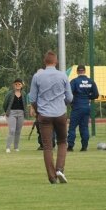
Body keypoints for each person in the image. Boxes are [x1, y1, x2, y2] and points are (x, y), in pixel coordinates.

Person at [28, 51, 72, 183]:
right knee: (62, 142)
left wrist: (38, 111)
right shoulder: (63, 76)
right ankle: (60, 169)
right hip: (60, 114)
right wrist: (61, 105)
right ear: (56, 61)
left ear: (44, 61)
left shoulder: (37, 76)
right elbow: (69, 97)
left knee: (47, 146)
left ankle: (52, 177)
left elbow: (32, 98)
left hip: (44, 115)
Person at [67, 64, 100, 151]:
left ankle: (70, 146)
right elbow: (96, 94)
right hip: (86, 106)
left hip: (77, 106)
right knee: (84, 127)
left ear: (77, 71)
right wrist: (88, 97)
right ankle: (84, 146)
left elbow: (69, 94)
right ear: (85, 71)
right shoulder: (91, 81)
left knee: (72, 127)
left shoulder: (74, 81)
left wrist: (73, 101)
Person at [3, 78, 26, 152]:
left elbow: (25, 104)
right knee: (12, 130)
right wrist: (7, 112)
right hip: (11, 113)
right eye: (16, 84)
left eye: (19, 84)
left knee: (18, 131)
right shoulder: (10, 93)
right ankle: (8, 147)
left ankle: (16, 147)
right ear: (13, 85)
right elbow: (5, 104)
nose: (17, 85)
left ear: (22, 85)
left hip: (21, 113)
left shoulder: (24, 94)